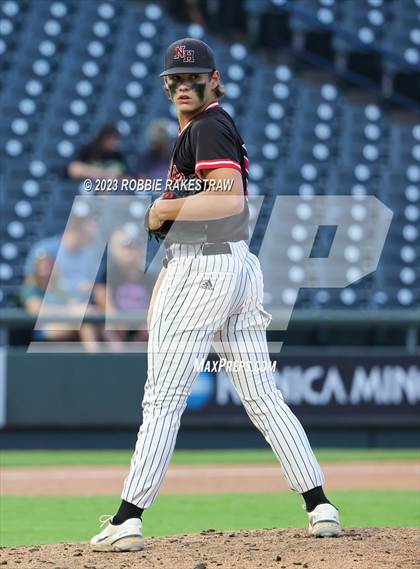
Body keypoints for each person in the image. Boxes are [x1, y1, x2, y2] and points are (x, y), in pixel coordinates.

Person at [90, 38, 341, 552]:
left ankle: (127, 519)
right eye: (176, 79)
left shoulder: (207, 125)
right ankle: (320, 505)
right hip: (236, 269)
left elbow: (228, 199)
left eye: (194, 78)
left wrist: (163, 212)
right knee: (261, 395)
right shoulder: (211, 126)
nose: (185, 86)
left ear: (214, 79)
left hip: (205, 266)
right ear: (166, 84)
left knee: (162, 398)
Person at [21, 253, 102, 349]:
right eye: (42, 264)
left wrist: (86, 308)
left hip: (66, 322)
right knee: (83, 320)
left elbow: (73, 303)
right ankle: (96, 356)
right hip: (45, 328)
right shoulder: (31, 288)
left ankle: (116, 353)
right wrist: (73, 311)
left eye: (49, 264)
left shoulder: (58, 289)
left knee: (95, 317)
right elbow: (37, 310)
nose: (46, 267)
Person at [94, 226, 154, 346]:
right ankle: (117, 354)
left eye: (134, 249)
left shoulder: (150, 277)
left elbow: (154, 305)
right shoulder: (109, 273)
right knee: (104, 321)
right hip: (118, 326)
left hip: (142, 326)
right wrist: (116, 318)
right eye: (126, 249)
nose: (130, 253)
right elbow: (101, 296)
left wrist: (146, 322)